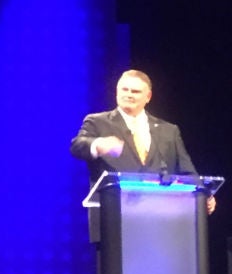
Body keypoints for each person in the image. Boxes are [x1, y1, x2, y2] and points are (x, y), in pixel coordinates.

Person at [69, 69, 215, 241]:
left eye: (136, 91)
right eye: (125, 89)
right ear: (117, 91)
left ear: (148, 96)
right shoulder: (97, 122)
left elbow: (186, 169)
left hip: (160, 222)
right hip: (114, 221)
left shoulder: (169, 130)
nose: (129, 95)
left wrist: (204, 194)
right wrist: (98, 144)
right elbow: (77, 146)